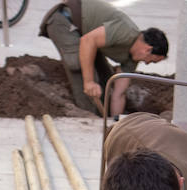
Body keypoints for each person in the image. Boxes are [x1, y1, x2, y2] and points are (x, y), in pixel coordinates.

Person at [38, 0, 168, 116]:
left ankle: (102, 114)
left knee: (108, 78)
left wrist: (115, 122)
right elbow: (88, 41)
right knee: (79, 65)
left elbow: (119, 93)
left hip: (86, 32)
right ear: (148, 49)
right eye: (150, 60)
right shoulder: (125, 31)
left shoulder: (131, 61)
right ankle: (88, 115)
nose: (146, 63)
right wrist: (89, 82)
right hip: (64, 21)